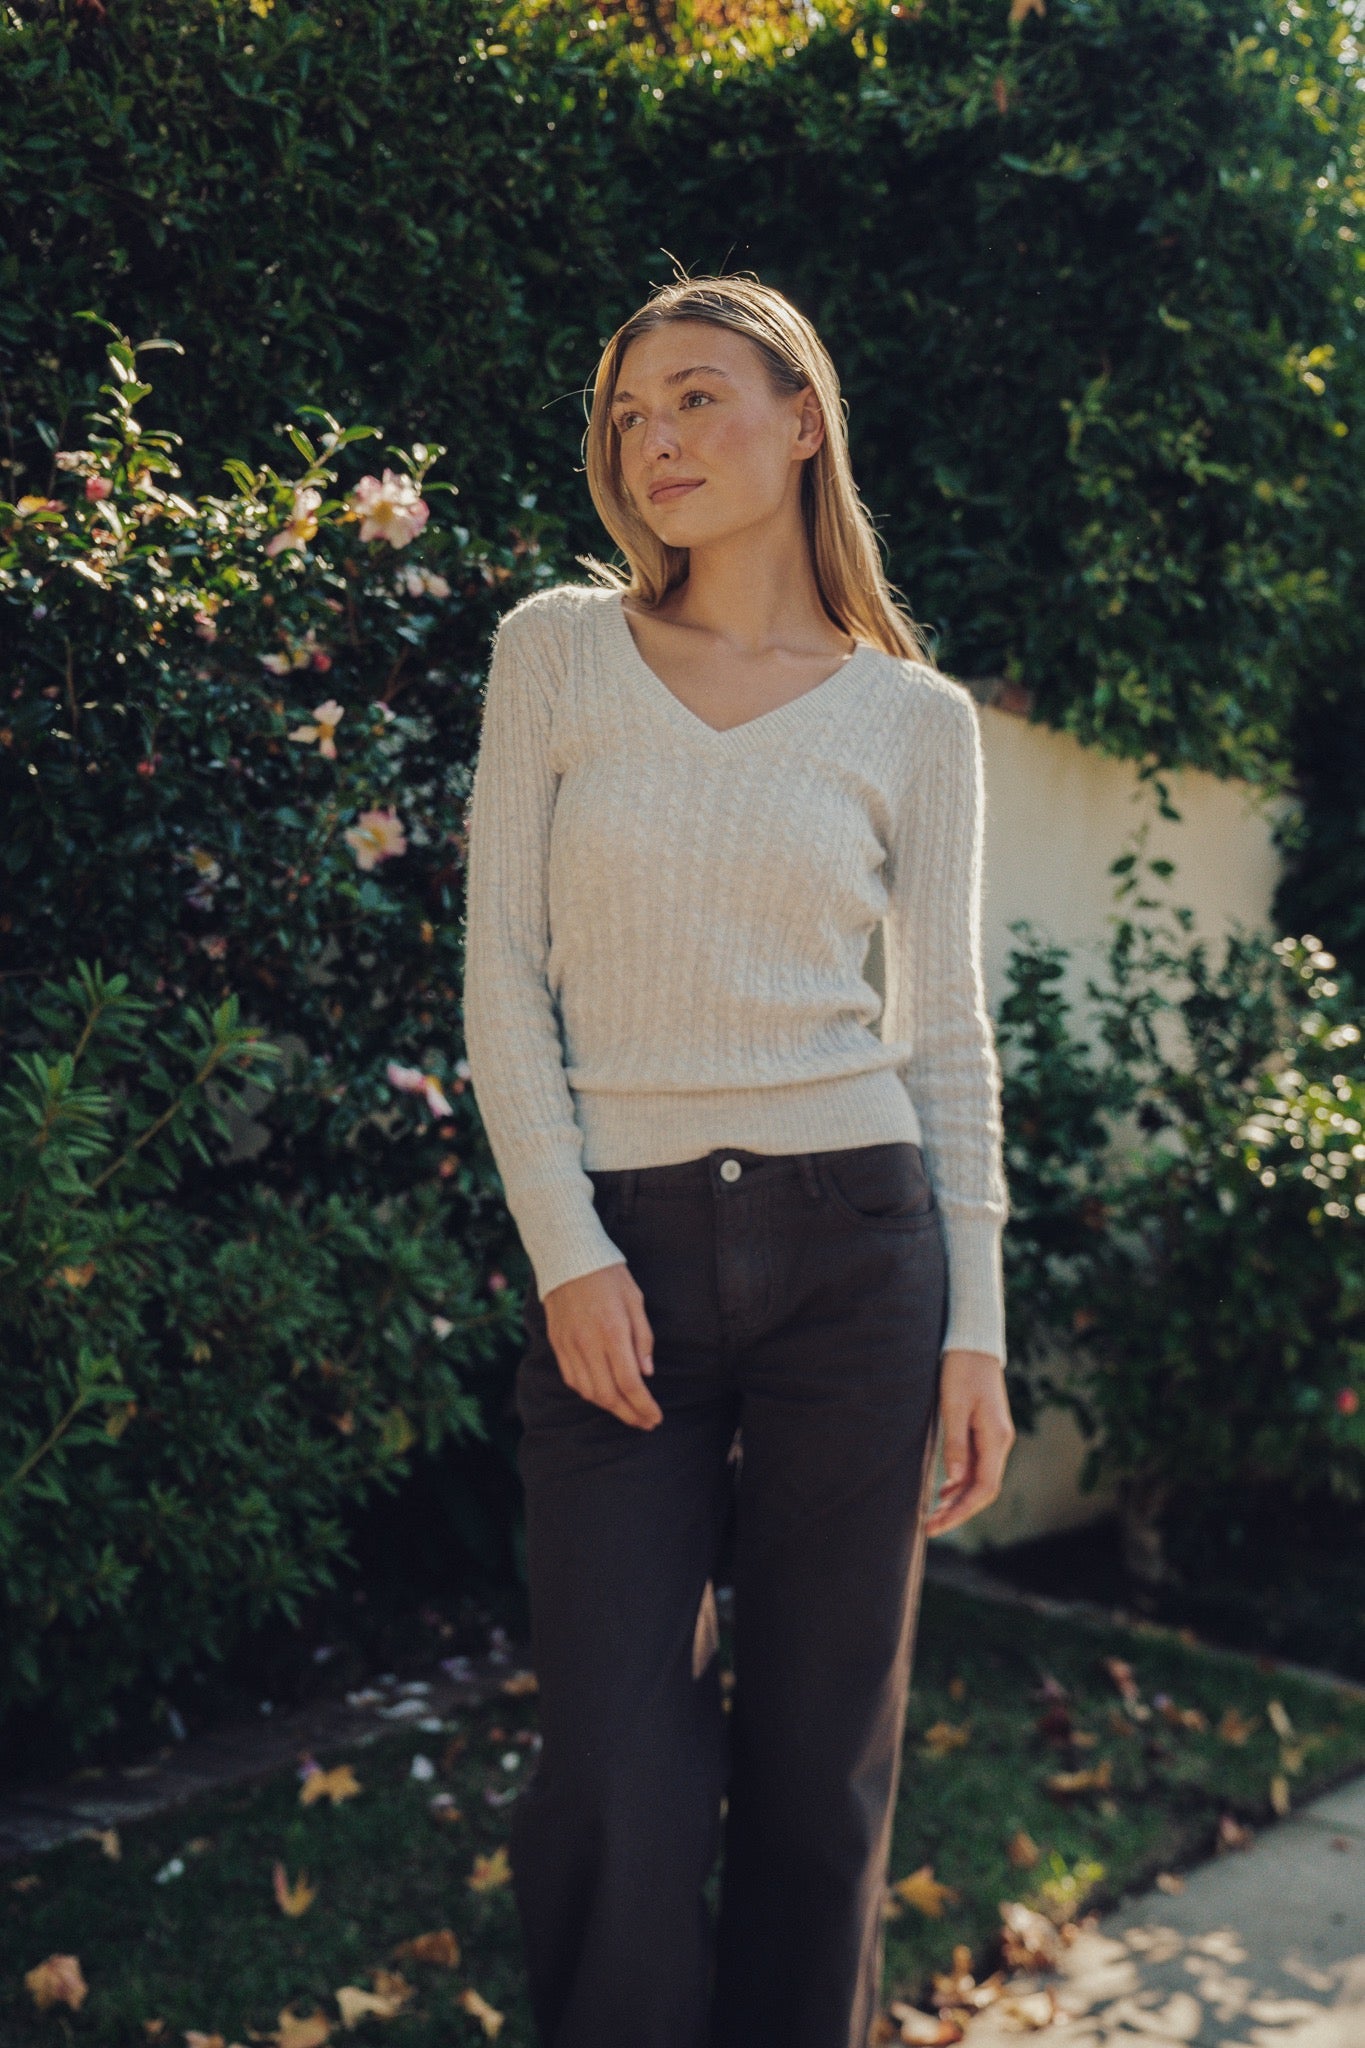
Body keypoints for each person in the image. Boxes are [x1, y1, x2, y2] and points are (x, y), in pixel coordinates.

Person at [462, 273, 1015, 2048]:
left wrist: (977, 1329)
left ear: (802, 419)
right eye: (630, 415)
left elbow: (943, 1034)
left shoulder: (911, 718)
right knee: (610, 1770)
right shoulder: (556, 648)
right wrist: (566, 1247)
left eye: (697, 396)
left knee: (815, 1766)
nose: (657, 440)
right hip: (622, 1255)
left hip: (856, 1251)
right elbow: (501, 974)